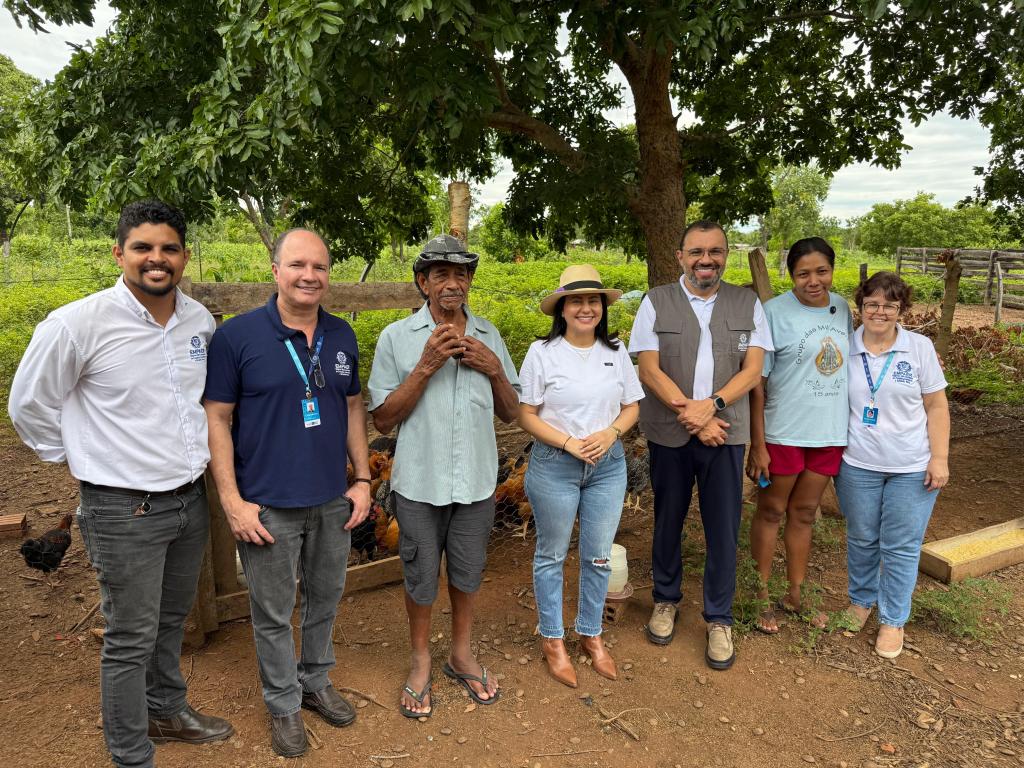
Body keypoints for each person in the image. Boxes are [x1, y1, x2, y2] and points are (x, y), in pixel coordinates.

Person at [8, 200, 234, 768]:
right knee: (130, 635)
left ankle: (167, 709)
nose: (156, 259)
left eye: (169, 248)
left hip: (187, 500)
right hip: (121, 509)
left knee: (170, 620)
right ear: (119, 253)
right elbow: (28, 405)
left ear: (183, 256)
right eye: (143, 247)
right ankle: (130, 748)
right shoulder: (77, 324)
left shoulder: (198, 321)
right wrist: (82, 458)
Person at [203, 228, 372, 758]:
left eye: (319, 267)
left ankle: (315, 680)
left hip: (330, 500)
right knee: (273, 611)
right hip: (267, 504)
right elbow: (217, 418)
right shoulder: (238, 337)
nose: (309, 276)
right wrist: (231, 501)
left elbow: (350, 407)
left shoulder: (341, 334)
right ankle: (282, 704)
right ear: (275, 270)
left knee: (325, 597)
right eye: (297, 265)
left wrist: (363, 479)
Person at [367, 234, 520, 717]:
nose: (452, 283)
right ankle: (419, 661)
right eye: (440, 274)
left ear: (469, 282)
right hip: (419, 480)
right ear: (423, 283)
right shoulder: (397, 337)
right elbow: (384, 418)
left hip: (475, 481)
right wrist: (427, 365)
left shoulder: (489, 336)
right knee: (419, 573)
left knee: (468, 571)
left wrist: (495, 369)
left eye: (460, 274)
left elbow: (512, 412)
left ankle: (460, 654)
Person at [628, 219, 773, 670]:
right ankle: (666, 599)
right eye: (696, 252)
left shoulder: (747, 302)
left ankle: (718, 617)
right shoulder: (656, 302)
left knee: (723, 525)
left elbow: (753, 371)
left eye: (715, 251)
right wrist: (689, 414)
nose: (705, 260)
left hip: (726, 433)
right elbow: (648, 369)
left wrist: (710, 406)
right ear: (680, 257)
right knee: (667, 518)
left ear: (725, 255)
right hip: (670, 434)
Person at [517, 265, 643, 688]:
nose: (586, 308)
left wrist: (610, 433)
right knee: (552, 554)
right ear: (563, 308)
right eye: (577, 301)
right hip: (556, 466)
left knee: (599, 555)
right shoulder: (542, 353)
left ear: (602, 307)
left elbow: (632, 406)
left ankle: (591, 632)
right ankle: (553, 639)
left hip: (607, 466)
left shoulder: (615, 350)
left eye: (593, 301)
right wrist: (569, 442)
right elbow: (526, 415)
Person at [835, 271, 949, 659]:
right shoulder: (845, 347)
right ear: (861, 307)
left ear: (901, 310)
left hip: (911, 466)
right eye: (872, 304)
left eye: (889, 305)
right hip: (857, 464)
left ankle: (893, 619)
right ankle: (860, 602)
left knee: (900, 546)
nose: (879, 312)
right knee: (862, 538)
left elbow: (936, 405)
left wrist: (939, 457)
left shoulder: (918, 348)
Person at [746, 237, 853, 633]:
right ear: (791, 275)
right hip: (784, 431)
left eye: (821, 271)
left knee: (805, 512)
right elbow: (758, 384)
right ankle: (759, 594)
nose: (813, 281)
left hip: (829, 431)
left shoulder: (841, 307)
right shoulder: (772, 312)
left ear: (832, 270)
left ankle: (796, 593)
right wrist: (758, 444)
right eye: (803, 273)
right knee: (771, 511)